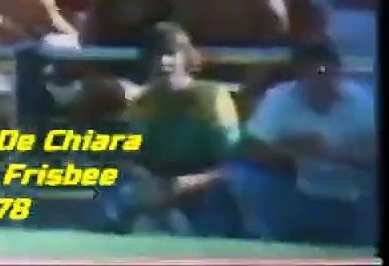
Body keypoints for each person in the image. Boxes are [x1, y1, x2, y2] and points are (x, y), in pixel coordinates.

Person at [230, 39, 377, 246]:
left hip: (353, 195)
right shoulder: (279, 98)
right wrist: (294, 149)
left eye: (328, 70)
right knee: (247, 177)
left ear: (340, 72)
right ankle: (266, 239)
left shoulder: (364, 103)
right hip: (297, 193)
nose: (322, 78)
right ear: (300, 74)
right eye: (314, 72)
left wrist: (336, 155)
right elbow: (252, 149)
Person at [105, 23, 242, 237]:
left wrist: (189, 183)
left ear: (186, 58)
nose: (163, 62)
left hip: (203, 189)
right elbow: (127, 158)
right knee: (116, 188)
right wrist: (146, 179)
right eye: (156, 54)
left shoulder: (213, 98)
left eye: (170, 53)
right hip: (156, 185)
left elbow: (234, 166)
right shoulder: (142, 102)